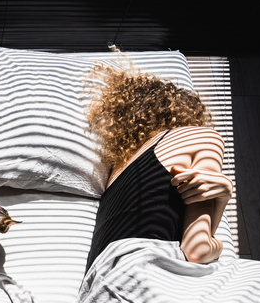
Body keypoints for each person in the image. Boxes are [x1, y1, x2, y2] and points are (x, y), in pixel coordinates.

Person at [83, 62, 233, 270]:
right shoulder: (201, 137)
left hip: (98, 288)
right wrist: (223, 197)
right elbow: (198, 250)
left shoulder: (114, 173)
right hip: (151, 277)